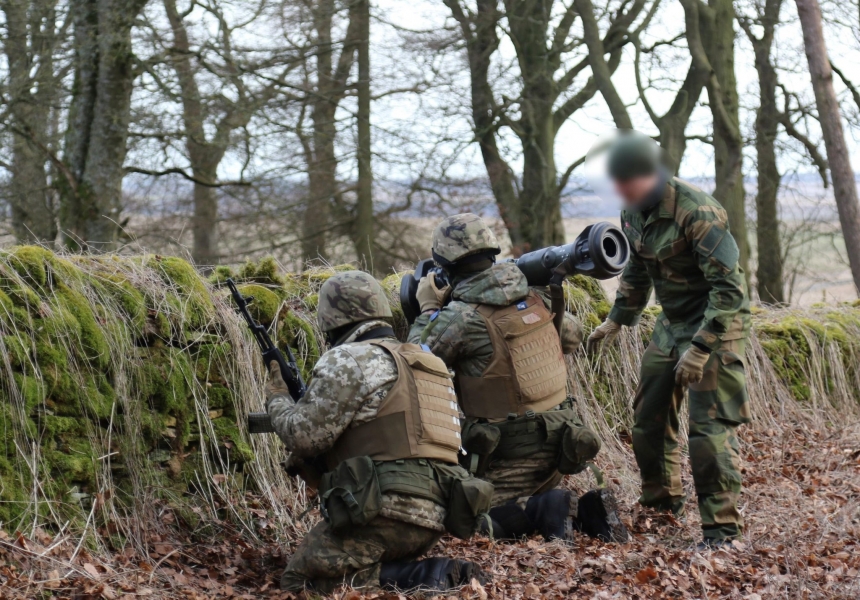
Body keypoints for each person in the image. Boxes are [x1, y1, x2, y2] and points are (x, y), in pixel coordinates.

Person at [407, 213, 629, 544]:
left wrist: (427, 309)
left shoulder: (462, 318)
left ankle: (545, 509)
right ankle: (588, 511)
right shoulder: (535, 296)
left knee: (466, 520)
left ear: (447, 267)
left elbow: (415, 360)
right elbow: (571, 337)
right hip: (562, 443)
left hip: (508, 452)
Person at [268, 271, 491, 593]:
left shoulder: (349, 358)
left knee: (301, 582)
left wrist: (277, 396)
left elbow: (302, 436)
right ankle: (409, 574)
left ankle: (427, 576)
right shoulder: (429, 362)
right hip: (441, 512)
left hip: (384, 511)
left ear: (330, 319)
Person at [587, 131, 751, 549]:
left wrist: (700, 348)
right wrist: (617, 320)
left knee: (709, 432)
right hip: (672, 322)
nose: (620, 190)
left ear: (649, 174)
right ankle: (661, 508)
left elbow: (730, 291)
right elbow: (638, 272)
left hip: (717, 324)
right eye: (616, 182)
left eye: (626, 181)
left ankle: (721, 532)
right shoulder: (632, 213)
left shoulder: (698, 211)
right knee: (648, 421)